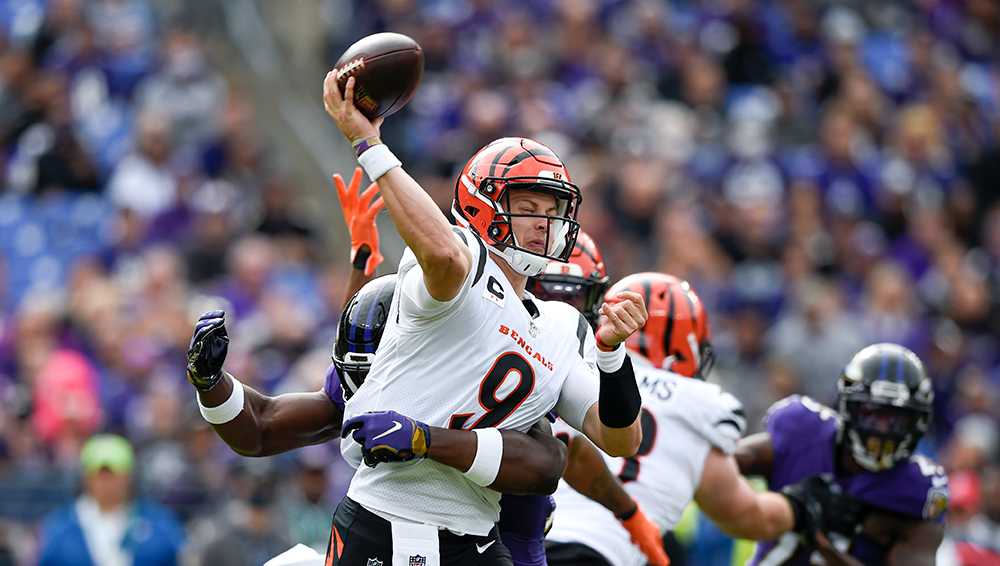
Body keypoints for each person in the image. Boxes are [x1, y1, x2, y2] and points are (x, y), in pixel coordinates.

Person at [320, 73, 647, 565]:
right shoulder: (459, 264)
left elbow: (621, 438)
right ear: (482, 205)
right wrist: (371, 146)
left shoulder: (560, 325)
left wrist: (612, 354)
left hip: (474, 538)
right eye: (528, 207)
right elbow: (446, 256)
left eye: (551, 210)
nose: (544, 222)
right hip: (386, 519)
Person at [186, 169, 580, 562]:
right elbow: (261, 430)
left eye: (376, 374)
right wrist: (210, 383)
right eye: (358, 376)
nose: (366, 389)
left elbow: (547, 464)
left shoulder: (481, 380)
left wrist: (424, 440)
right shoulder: (364, 380)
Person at [545, 272, 840, 566]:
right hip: (600, 553)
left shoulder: (574, 374)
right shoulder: (698, 405)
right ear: (683, 343)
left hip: (528, 543)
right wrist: (801, 506)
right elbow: (747, 516)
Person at [737, 343, 950, 565]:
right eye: (872, 415)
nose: (882, 431)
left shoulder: (918, 488)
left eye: (897, 419)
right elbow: (728, 462)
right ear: (847, 408)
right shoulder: (803, 432)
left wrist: (820, 539)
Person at [37, 434, 185, 566]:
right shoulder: (61, 526)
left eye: (114, 475)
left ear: (129, 477)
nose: (107, 483)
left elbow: (173, 554)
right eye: (100, 475)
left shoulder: (157, 522)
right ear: (86, 478)